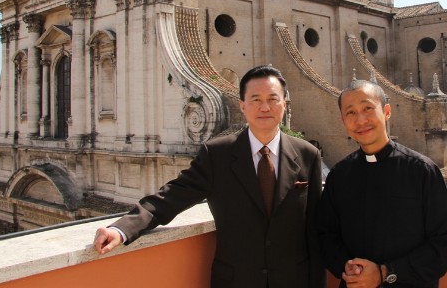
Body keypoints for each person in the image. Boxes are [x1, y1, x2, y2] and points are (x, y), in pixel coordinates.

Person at [94, 65, 326, 288]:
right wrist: (122, 229)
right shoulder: (217, 154)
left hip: (294, 281)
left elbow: (315, 229)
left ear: (284, 104)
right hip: (236, 281)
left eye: (273, 99)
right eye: (256, 100)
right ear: (242, 105)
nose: (264, 107)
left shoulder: (308, 155)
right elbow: (172, 195)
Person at [317, 80, 447, 288]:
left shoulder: (421, 171)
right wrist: (347, 267)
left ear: (386, 111)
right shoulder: (339, 175)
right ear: (343, 120)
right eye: (351, 113)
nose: (361, 120)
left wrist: (386, 272)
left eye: (368, 108)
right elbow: (325, 235)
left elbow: (446, 243)